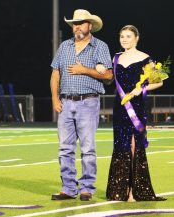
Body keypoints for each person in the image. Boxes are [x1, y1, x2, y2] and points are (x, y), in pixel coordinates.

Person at [50, 9, 113, 201]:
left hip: (88, 102)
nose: (77, 26)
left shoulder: (100, 47)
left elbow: (109, 76)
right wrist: (54, 98)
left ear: (90, 26)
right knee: (65, 148)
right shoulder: (64, 47)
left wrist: (84, 70)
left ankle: (87, 188)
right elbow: (55, 74)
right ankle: (68, 188)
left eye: (81, 23)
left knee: (88, 149)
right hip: (66, 102)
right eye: (74, 23)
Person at [106, 25, 166, 202]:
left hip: (136, 107)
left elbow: (159, 81)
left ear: (136, 38)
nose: (124, 39)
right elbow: (111, 80)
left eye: (128, 36)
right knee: (121, 146)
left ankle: (134, 191)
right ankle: (119, 191)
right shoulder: (116, 58)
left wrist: (142, 88)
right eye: (122, 36)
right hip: (119, 107)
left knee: (133, 145)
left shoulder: (145, 58)